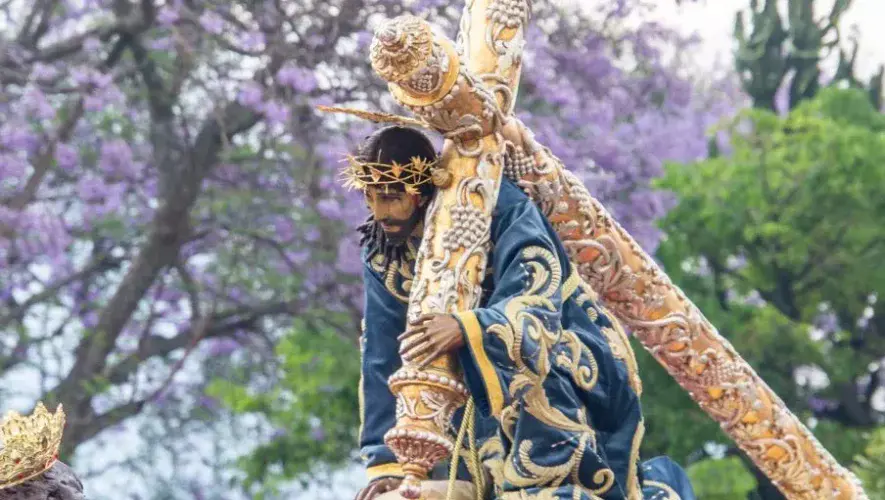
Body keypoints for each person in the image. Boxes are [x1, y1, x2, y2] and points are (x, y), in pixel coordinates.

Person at [351, 126, 695, 500]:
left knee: (532, 374)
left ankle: (545, 485)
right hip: (469, 389)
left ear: (421, 189)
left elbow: (537, 296)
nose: (380, 211)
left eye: (390, 197)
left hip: (561, 350)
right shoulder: (383, 252)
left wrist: (469, 328)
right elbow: (382, 356)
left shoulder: (499, 206)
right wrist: (387, 465)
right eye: (370, 197)